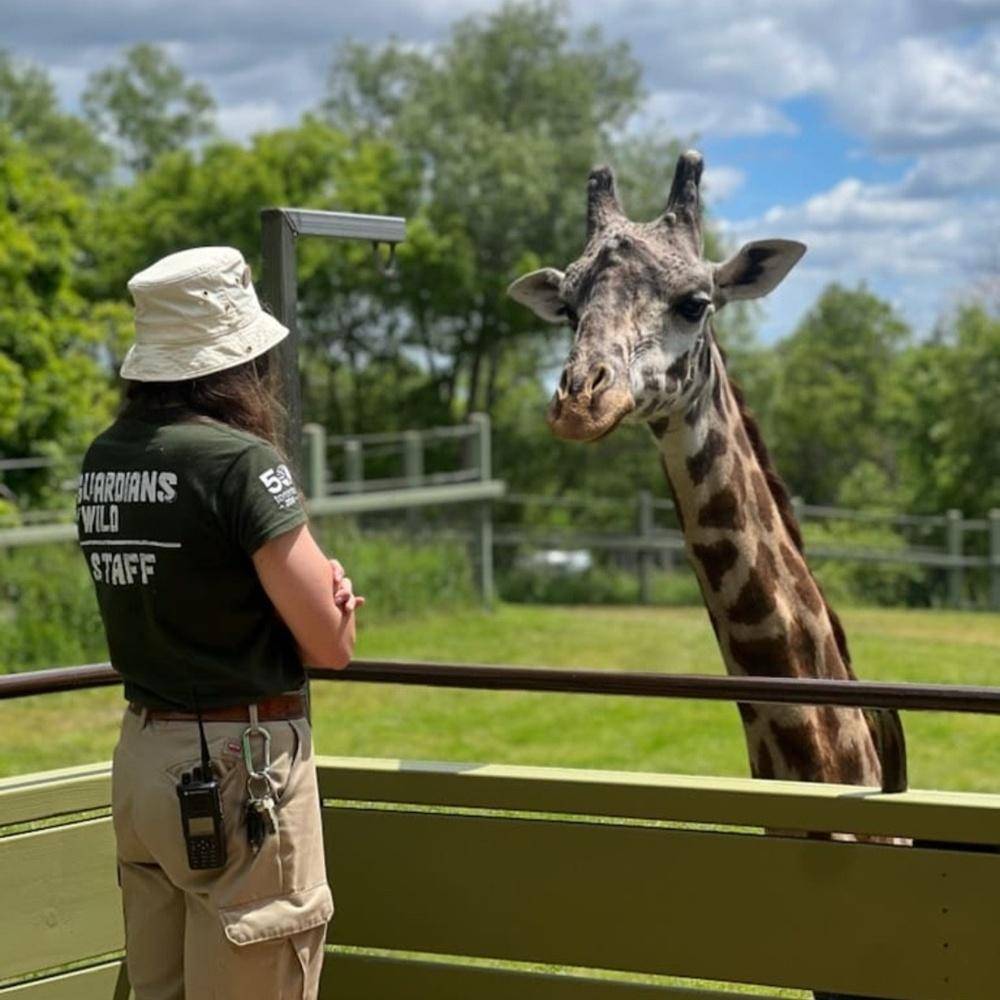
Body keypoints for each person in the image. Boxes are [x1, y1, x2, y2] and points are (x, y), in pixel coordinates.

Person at [76, 245, 360, 999]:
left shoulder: (104, 457)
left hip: (141, 760)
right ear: (237, 362)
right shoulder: (239, 462)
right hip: (243, 770)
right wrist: (334, 595)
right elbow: (331, 644)